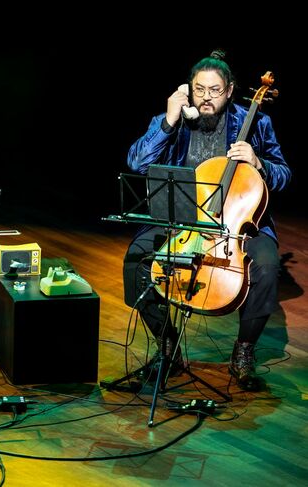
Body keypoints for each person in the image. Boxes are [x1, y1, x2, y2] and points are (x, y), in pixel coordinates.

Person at [123, 50, 291, 391]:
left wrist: (259, 164)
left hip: (238, 221)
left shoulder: (255, 122)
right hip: (182, 220)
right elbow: (138, 164)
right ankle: (167, 347)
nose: (206, 98)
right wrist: (168, 121)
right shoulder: (174, 119)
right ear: (189, 88)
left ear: (229, 90)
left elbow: (285, 175)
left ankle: (244, 351)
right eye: (199, 89)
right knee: (136, 260)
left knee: (266, 265)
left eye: (214, 90)